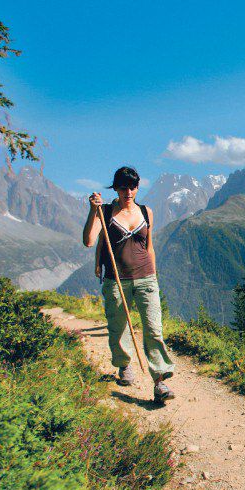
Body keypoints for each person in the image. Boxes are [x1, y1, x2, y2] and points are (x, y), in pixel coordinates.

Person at [82, 166, 176, 402]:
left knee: (154, 328)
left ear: (138, 187)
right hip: (117, 280)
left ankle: (160, 381)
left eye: (133, 186)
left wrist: (154, 274)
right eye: (123, 187)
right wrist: (92, 212)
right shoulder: (104, 212)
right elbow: (89, 241)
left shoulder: (146, 212)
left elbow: (149, 246)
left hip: (146, 278)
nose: (128, 191)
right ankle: (124, 365)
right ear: (115, 187)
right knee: (119, 327)